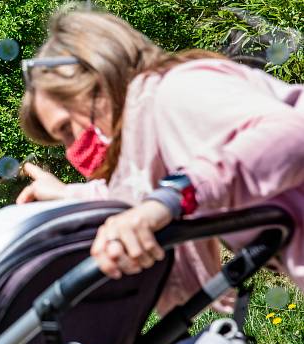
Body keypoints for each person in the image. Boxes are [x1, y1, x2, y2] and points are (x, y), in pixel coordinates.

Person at [17, 7, 304, 315]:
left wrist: (174, 197)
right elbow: (137, 194)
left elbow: (293, 133)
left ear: (97, 79)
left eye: (66, 128)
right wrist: (66, 194)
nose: (72, 149)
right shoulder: (148, 129)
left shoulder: (174, 92)